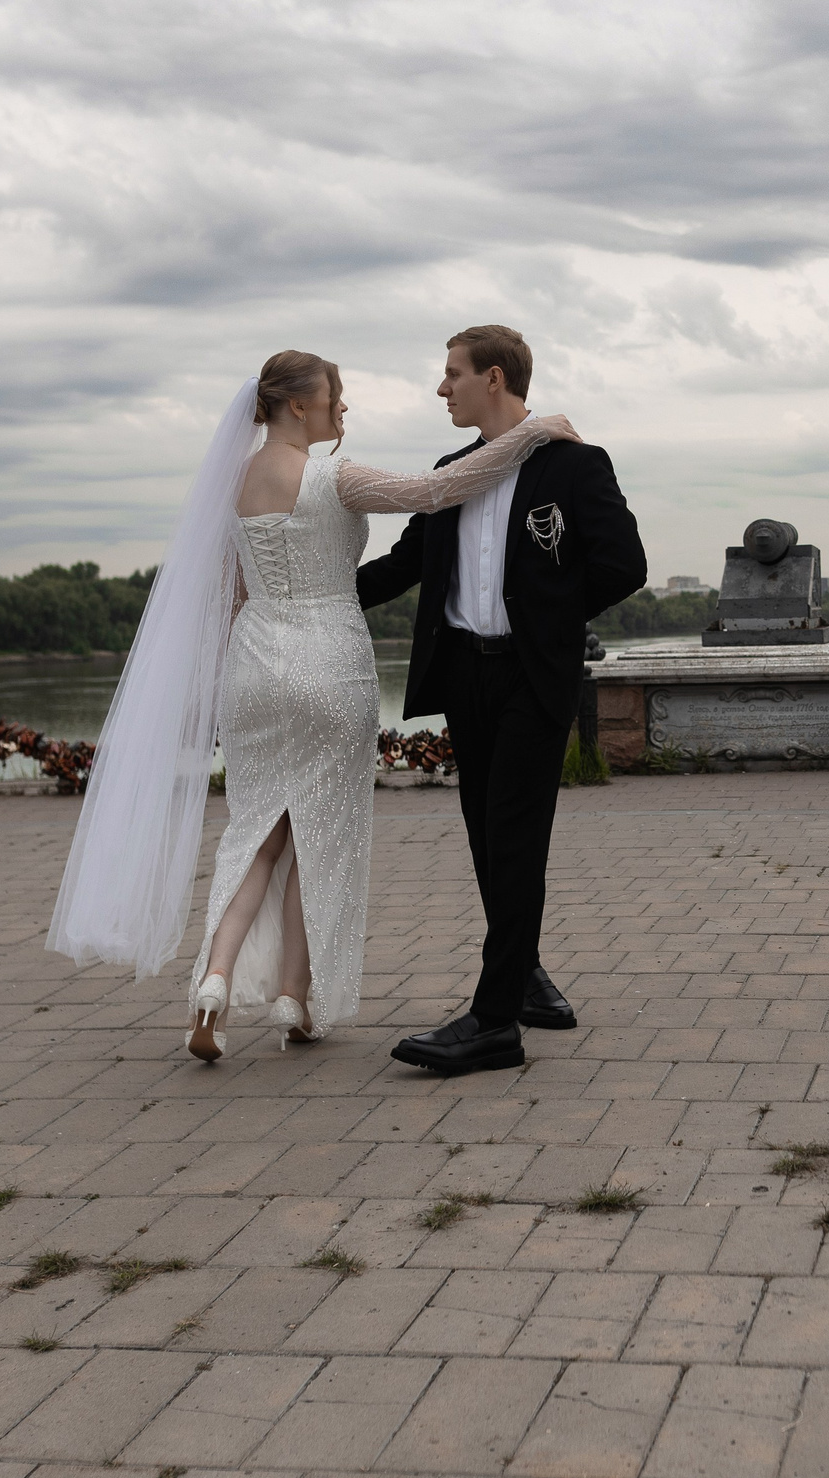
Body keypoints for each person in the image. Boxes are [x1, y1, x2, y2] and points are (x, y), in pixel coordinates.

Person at [45, 350, 578, 1061]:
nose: (344, 407)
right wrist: (532, 432)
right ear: (299, 405)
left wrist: (212, 690)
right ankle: (295, 998)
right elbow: (435, 489)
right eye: (336, 395)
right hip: (329, 664)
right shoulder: (336, 477)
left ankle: (214, 981)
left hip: (254, 667)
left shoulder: (230, 485)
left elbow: (232, 595)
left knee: (256, 835)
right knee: (321, 835)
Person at [358, 325, 647, 1075]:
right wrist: (306, 598)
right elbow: (403, 564)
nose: (441, 387)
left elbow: (625, 565)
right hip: (464, 675)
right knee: (488, 838)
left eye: (452, 373)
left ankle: (493, 1023)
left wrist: (550, 620)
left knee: (515, 835)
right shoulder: (450, 472)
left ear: (494, 378)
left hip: (530, 676)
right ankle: (524, 977)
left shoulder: (575, 464)